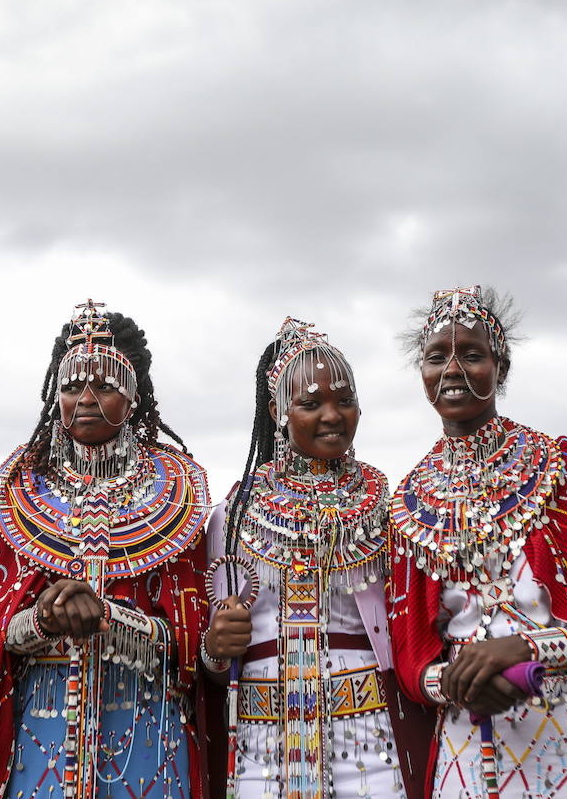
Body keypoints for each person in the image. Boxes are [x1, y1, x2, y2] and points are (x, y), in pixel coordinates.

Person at [389, 287, 567, 799]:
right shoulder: (408, 498)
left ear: (501, 367)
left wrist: (524, 652)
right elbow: (411, 658)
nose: (452, 370)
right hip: (472, 738)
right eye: (435, 357)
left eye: (472, 355)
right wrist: (455, 683)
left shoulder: (558, 465)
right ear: (421, 373)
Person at [0, 300, 209, 799]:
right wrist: (43, 621)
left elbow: (193, 639)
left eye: (105, 385)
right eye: (72, 386)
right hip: (40, 721)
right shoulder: (16, 490)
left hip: (146, 721)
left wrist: (111, 620)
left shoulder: (178, 491)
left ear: (134, 396)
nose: (86, 399)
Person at [203, 317, 432, 799]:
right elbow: (213, 657)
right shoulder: (235, 512)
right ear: (277, 410)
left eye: (344, 400)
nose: (332, 415)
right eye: (310, 403)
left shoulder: (389, 508)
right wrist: (214, 648)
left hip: (369, 738)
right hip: (260, 741)